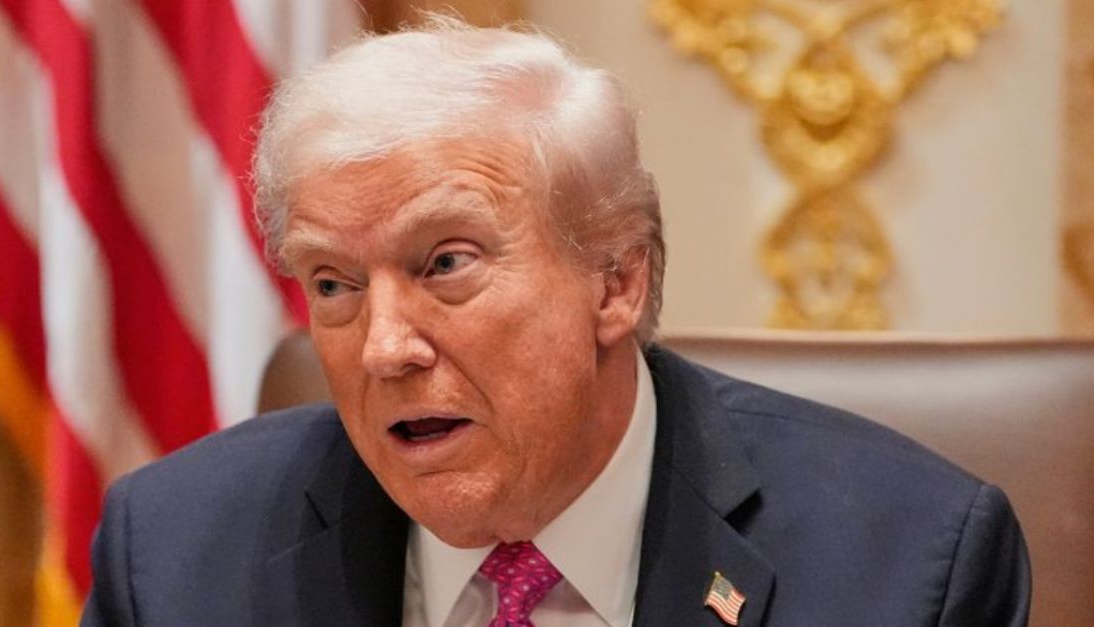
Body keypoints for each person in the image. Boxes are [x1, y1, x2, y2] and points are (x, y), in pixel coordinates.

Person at [81, 17, 1030, 627]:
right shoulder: (172, 554)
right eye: (333, 284)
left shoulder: (911, 568)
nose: (383, 347)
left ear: (616, 280)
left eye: (444, 264)